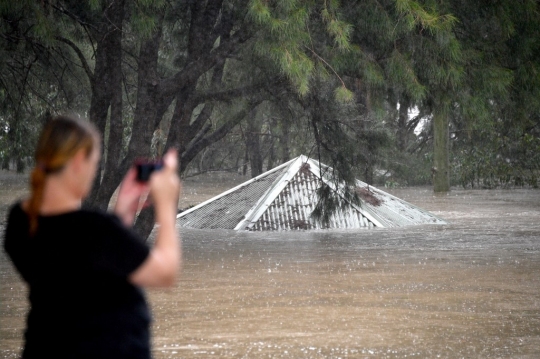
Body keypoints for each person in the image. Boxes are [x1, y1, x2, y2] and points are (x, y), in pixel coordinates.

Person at [3, 115, 181, 359]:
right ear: (78, 161)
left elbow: (88, 276)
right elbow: (166, 272)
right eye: (94, 163)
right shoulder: (95, 230)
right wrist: (167, 206)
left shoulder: (20, 222)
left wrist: (124, 209)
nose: (94, 172)